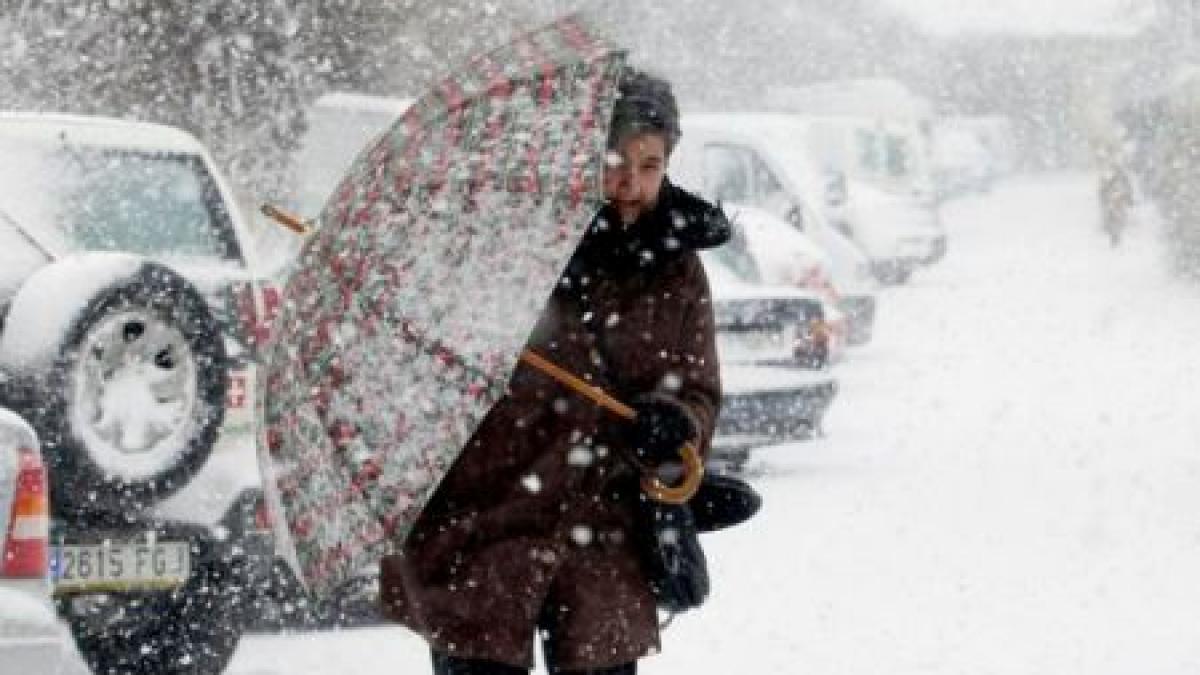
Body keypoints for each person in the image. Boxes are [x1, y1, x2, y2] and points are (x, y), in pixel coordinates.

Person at [380, 68, 731, 674]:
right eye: (614, 163)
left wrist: (675, 425)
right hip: (489, 518)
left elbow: (698, 388)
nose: (630, 185)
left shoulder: (677, 266)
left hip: (606, 530)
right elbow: (441, 369)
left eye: (649, 166)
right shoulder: (508, 239)